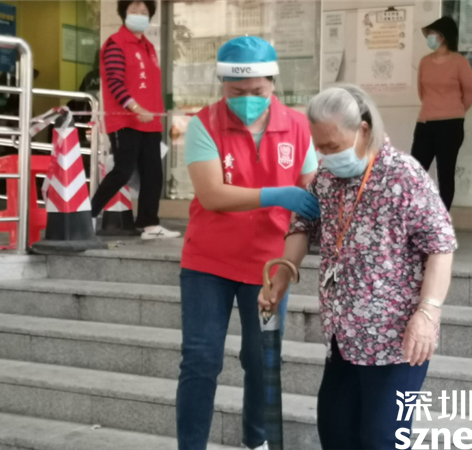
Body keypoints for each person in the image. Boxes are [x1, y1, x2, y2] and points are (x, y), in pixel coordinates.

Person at [260, 85, 457, 450]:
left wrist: (428, 313)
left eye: (332, 145)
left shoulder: (403, 176)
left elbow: (441, 246)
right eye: (319, 146)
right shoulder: (326, 177)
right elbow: (303, 225)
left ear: (363, 130)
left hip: (395, 340)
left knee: (381, 439)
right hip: (344, 335)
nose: (324, 154)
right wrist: (283, 274)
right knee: (335, 432)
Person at [177, 36, 319, 450]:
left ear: (272, 82)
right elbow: (211, 194)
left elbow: (311, 194)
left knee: (262, 361)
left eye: (257, 91)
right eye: (236, 92)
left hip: (269, 266)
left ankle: (256, 441)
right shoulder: (204, 124)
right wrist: (275, 194)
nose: (247, 100)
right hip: (208, 263)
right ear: (222, 84)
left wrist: (291, 259)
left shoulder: (298, 127)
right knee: (201, 359)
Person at [90, 1, 180, 239]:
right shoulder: (116, 44)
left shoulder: (149, 47)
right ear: (123, 14)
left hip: (150, 123)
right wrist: (136, 108)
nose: (139, 16)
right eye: (134, 11)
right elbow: (114, 82)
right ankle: (87, 216)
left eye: (144, 12)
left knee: (153, 174)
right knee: (122, 171)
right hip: (125, 122)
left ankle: (150, 225)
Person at [411, 16, 472, 210]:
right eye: (429, 33)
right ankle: (416, 215)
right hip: (425, 124)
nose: (430, 37)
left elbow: (470, 93)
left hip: (451, 125)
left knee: (445, 174)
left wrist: (454, 111)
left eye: (433, 33)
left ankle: (442, 218)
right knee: (415, 171)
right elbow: (422, 93)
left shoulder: (459, 62)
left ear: (443, 36)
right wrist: (435, 108)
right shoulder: (424, 62)